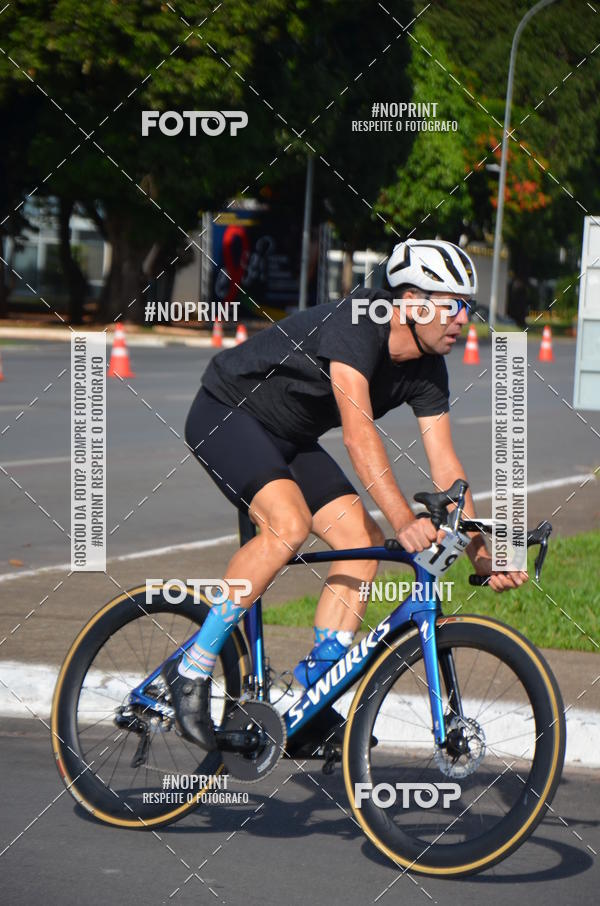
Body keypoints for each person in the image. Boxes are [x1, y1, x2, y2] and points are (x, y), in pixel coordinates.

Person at [163, 238, 528, 750]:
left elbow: (447, 465)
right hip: (228, 411)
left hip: (289, 437)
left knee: (362, 544)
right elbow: (358, 434)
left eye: (467, 307)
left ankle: (311, 700)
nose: (463, 320)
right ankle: (191, 670)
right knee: (287, 526)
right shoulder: (358, 321)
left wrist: (481, 550)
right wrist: (404, 519)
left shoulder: (428, 367)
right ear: (411, 301)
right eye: (454, 305)